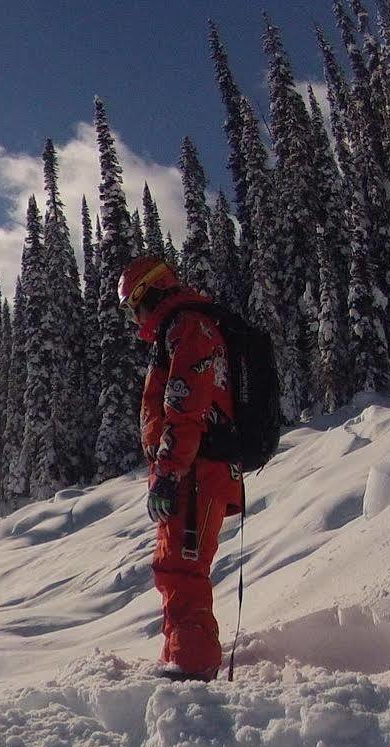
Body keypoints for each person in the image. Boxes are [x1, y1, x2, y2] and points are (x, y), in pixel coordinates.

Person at [119, 253, 245, 683]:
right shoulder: (181, 327)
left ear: (148, 293)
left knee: (180, 568)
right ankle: (182, 658)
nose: (135, 318)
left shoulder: (188, 326)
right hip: (195, 467)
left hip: (196, 469)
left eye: (133, 306)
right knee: (175, 567)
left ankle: (191, 673)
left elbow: (184, 405)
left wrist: (169, 472)